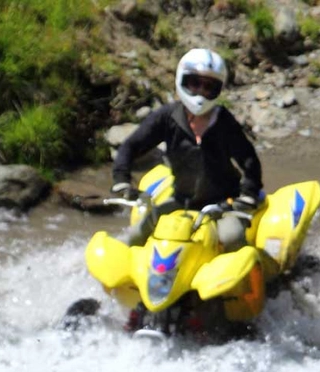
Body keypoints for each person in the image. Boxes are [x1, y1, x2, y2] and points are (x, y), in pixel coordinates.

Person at [111, 47, 264, 252]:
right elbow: (131, 146)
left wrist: (248, 194)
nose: (201, 91)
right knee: (137, 234)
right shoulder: (167, 117)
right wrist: (122, 181)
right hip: (182, 199)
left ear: (217, 89)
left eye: (209, 86)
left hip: (223, 203)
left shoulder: (224, 122)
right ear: (183, 81)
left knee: (232, 238)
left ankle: (257, 277)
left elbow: (249, 160)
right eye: (195, 83)